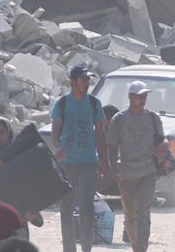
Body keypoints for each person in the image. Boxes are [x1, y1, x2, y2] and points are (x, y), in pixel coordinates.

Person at [50, 65, 109, 252]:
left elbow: (100, 133)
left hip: (88, 161)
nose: (87, 82)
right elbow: (55, 130)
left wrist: (104, 160)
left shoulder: (94, 103)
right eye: (83, 79)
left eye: (88, 79)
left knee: (86, 205)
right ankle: (69, 248)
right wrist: (58, 148)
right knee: (66, 205)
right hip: (67, 162)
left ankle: (86, 248)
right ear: (73, 81)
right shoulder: (62, 103)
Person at [106, 80, 170, 252]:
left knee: (143, 212)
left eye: (145, 96)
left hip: (147, 171)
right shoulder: (119, 119)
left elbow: (162, 138)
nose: (143, 99)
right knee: (130, 215)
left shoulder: (152, 118)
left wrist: (165, 143)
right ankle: (136, 245)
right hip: (126, 173)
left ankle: (141, 248)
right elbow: (112, 145)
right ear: (130, 97)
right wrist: (113, 168)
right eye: (139, 96)